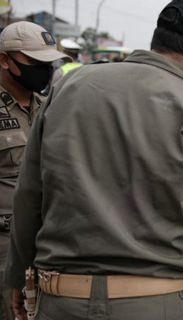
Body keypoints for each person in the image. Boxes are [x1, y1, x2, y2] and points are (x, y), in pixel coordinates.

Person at [4, 0, 183, 319]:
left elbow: (28, 199)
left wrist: (16, 279)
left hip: (61, 301)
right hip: (154, 305)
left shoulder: (69, 87)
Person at [0, 21, 70, 320]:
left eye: (47, 63)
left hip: (46, 246)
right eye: (34, 63)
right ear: (5, 60)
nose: (43, 70)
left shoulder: (48, 107)